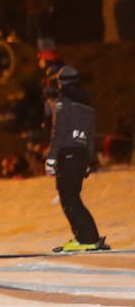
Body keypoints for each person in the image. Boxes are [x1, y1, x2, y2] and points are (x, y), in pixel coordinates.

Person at [46, 66, 108, 251]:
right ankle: (86, 237)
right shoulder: (87, 103)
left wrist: (51, 158)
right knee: (73, 197)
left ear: (60, 82)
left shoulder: (63, 102)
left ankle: (87, 238)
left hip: (68, 153)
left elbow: (59, 132)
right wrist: (88, 159)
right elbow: (91, 133)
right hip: (80, 154)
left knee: (69, 198)